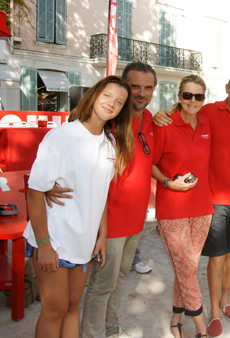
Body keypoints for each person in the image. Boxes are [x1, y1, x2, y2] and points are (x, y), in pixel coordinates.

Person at [24, 76, 134, 338]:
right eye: (107, 96)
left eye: (119, 102)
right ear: (95, 95)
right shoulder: (62, 136)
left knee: (72, 307)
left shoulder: (109, 144)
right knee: (54, 310)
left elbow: (101, 194)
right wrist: (44, 244)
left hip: (83, 244)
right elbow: (34, 192)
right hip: (55, 240)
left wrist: (102, 237)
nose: (112, 104)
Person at [153, 73, 230, 338]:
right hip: (205, 200)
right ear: (226, 88)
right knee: (197, 264)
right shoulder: (208, 112)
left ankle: (191, 314)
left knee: (217, 258)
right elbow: (153, 160)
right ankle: (206, 318)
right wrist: (162, 114)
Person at [78, 62, 156, 338]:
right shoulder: (108, 121)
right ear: (124, 86)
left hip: (135, 221)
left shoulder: (150, 120)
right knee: (102, 284)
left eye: (148, 88)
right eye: (135, 86)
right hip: (108, 220)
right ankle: (92, 334)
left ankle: (110, 330)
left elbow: (149, 162)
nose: (141, 93)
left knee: (119, 279)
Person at [152, 75, 214, 338]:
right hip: (172, 208)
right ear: (179, 97)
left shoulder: (207, 123)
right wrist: (168, 182)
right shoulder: (164, 125)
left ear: (204, 99)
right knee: (187, 269)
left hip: (202, 208)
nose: (192, 101)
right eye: (187, 95)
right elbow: (150, 165)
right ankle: (200, 326)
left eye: (198, 96)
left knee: (186, 268)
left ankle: (176, 320)